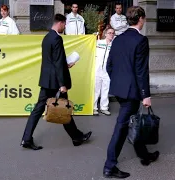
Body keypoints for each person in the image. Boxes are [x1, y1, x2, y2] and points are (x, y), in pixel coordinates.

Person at [20, 14, 92, 150]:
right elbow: (58, 63)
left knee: (37, 110)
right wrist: (62, 84)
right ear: (60, 23)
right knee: (65, 109)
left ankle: (26, 139)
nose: (64, 27)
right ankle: (77, 137)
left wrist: (65, 65)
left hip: (46, 80)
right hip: (56, 82)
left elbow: (52, 61)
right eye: (64, 25)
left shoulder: (46, 38)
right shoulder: (57, 39)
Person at [103, 6, 159, 179]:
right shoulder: (141, 40)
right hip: (132, 92)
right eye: (145, 18)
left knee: (133, 121)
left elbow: (109, 65)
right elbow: (141, 71)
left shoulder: (118, 39)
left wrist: (119, 82)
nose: (145, 21)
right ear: (140, 18)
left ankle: (144, 155)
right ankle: (109, 166)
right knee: (121, 127)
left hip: (119, 89)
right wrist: (146, 95)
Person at [93, 27, 115, 116]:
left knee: (105, 89)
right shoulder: (98, 43)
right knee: (96, 90)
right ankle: (94, 108)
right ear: (105, 34)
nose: (111, 34)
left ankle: (104, 108)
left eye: (113, 33)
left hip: (107, 71)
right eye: (109, 33)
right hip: (97, 69)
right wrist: (93, 37)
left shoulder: (114, 46)